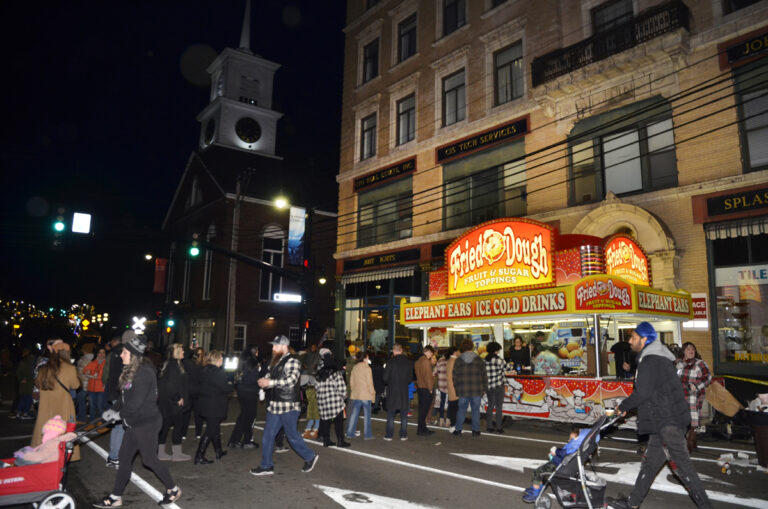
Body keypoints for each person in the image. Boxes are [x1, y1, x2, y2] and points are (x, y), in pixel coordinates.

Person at [607, 322, 712, 509]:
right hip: (663, 421)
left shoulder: (651, 361)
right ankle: (633, 503)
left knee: (684, 469)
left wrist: (621, 407)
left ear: (644, 339)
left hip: (667, 422)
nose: (630, 341)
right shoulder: (658, 358)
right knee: (650, 464)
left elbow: (643, 392)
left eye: (633, 337)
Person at [93, 334, 181, 508]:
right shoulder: (132, 371)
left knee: (149, 460)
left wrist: (119, 416)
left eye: (124, 352)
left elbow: (134, 404)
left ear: (133, 355)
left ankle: (173, 489)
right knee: (124, 459)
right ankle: (116, 496)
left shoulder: (144, 373)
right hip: (134, 422)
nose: (121, 355)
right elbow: (125, 397)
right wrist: (113, 410)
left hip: (147, 423)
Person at [250, 335, 319, 476]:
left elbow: (292, 380)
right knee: (268, 436)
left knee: (292, 435)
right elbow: (271, 377)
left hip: (288, 405)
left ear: (284, 346)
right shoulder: (275, 361)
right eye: (273, 345)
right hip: (275, 404)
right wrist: (264, 381)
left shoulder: (293, 360)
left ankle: (310, 456)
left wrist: (270, 383)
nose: (273, 348)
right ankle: (266, 465)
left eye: (276, 345)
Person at [32, 341, 80, 462]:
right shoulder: (70, 368)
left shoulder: (44, 368)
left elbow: (37, 383)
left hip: (46, 405)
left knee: (44, 426)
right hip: (63, 404)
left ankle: (42, 452)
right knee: (63, 429)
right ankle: (60, 454)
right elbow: (76, 385)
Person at [521, 427, 591, 503]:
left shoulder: (573, 447)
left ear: (577, 439)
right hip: (560, 464)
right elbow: (564, 453)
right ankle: (537, 487)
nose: (568, 440)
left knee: (537, 472)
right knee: (542, 471)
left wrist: (555, 452)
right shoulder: (576, 448)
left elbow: (563, 453)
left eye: (570, 439)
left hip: (557, 466)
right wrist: (555, 454)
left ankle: (535, 493)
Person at [194, 350, 233, 464]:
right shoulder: (218, 373)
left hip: (205, 403)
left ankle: (218, 451)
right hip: (214, 405)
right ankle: (199, 455)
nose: (222, 360)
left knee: (215, 428)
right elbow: (226, 388)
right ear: (216, 359)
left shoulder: (204, 370)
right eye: (221, 358)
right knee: (210, 430)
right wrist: (231, 384)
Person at [157, 343, 191, 462]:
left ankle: (160, 452)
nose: (183, 352)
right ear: (175, 352)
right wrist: (178, 398)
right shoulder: (173, 366)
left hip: (167, 402)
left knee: (165, 426)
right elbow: (170, 385)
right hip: (173, 402)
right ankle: (176, 453)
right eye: (181, 350)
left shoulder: (172, 364)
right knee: (177, 426)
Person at [677, 342, 712, 452]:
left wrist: (696, 385)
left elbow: (708, 378)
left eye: (693, 349)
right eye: (688, 349)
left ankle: (690, 444)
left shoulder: (700, 363)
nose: (691, 350)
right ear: (683, 351)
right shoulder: (678, 364)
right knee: (680, 419)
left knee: (693, 419)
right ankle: (690, 442)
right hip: (679, 395)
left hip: (693, 395)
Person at [228, 345, 263, 449]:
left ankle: (234, 440)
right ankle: (247, 440)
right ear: (254, 352)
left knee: (243, 416)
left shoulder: (241, 361)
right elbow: (253, 379)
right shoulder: (253, 363)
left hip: (241, 391)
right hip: (250, 392)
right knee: (250, 417)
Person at [452, 339, 488, 437]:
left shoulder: (458, 360)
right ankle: (475, 431)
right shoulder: (479, 359)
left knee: (461, 409)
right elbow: (484, 375)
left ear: (463, 347)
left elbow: (454, 376)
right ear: (472, 347)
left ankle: (458, 429)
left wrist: (457, 388)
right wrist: (484, 388)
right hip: (476, 389)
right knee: (475, 410)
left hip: (463, 390)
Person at [316, 348, 350, 447]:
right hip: (335, 401)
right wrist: (344, 396)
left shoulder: (319, 373)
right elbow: (341, 387)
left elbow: (316, 387)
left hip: (322, 401)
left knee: (326, 421)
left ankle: (326, 440)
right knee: (338, 422)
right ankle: (340, 441)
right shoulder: (335, 372)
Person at [383, 343, 413, 441]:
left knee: (391, 414)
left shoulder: (390, 362)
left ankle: (389, 435)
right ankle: (403, 435)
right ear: (401, 350)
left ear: (393, 350)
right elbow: (410, 378)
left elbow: (385, 378)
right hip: (404, 391)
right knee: (404, 415)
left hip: (393, 392)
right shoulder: (408, 362)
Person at [346, 350, 375, 440]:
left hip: (356, 394)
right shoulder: (367, 368)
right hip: (366, 395)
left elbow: (351, 382)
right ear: (365, 358)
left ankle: (350, 433)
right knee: (367, 416)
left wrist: (354, 390)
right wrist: (373, 394)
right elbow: (370, 383)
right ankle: (367, 435)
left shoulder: (355, 367)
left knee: (354, 415)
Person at [485, 341, 508, 433]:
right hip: (498, 386)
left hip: (488, 387)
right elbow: (508, 368)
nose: (498, 352)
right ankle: (499, 427)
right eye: (498, 350)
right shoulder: (499, 360)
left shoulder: (484, 360)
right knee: (499, 407)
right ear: (495, 350)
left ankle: (489, 427)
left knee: (490, 406)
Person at [414, 345, 435, 436]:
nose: (431, 355)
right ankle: (422, 429)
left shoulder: (418, 361)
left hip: (420, 387)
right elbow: (428, 377)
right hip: (426, 388)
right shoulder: (426, 361)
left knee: (422, 409)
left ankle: (422, 428)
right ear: (428, 351)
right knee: (424, 410)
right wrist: (430, 388)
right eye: (431, 353)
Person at [84, 348, 108, 421]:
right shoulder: (93, 363)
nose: (101, 354)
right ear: (97, 354)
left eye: (103, 353)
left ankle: (102, 423)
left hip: (101, 388)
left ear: (105, 354)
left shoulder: (106, 364)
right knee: (92, 406)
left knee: (100, 406)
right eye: (100, 353)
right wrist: (87, 372)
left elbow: (107, 375)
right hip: (91, 388)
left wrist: (97, 377)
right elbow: (85, 370)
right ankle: (92, 423)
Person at [14, 348, 35, 420]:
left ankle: (19, 412)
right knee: (28, 398)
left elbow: (18, 372)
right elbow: (19, 372)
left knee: (24, 398)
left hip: (26, 383)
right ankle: (24, 413)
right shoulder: (31, 361)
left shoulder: (24, 361)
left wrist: (21, 379)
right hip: (29, 383)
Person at [75, 347, 94, 422]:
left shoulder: (85, 359)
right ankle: (83, 417)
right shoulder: (90, 358)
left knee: (82, 402)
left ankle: (82, 418)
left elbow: (87, 372)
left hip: (84, 384)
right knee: (86, 402)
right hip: (87, 384)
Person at [445, 347, 460, 432]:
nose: (459, 352)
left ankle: (453, 425)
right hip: (455, 387)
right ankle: (453, 426)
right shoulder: (455, 361)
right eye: (458, 351)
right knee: (455, 408)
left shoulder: (450, 361)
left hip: (451, 387)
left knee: (452, 406)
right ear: (455, 352)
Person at [434, 349, 449, 426]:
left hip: (442, 384)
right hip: (450, 385)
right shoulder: (452, 361)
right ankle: (448, 421)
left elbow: (435, 372)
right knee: (450, 402)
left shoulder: (440, 361)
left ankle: (441, 419)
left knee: (442, 402)